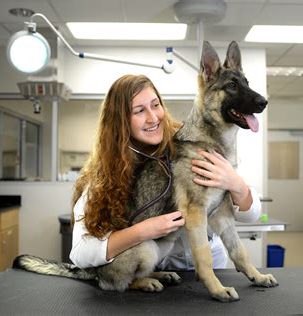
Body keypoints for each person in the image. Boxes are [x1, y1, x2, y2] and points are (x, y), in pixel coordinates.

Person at [69, 74, 262, 270]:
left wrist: (236, 184)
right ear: (120, 121)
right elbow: (80, 254)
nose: (153, 118)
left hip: (213, 266)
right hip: (157, 271)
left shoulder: (190, 143)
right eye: (139, 111)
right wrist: (143, 231)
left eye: (155, 105)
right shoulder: (106, 173)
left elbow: (251, 215)